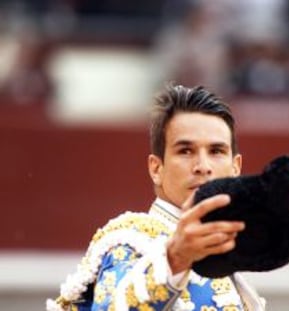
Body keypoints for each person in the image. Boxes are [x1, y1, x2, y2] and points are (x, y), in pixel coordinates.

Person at [46, 84, 266, 311]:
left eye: (216, 151)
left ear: (235, 168)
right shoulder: (129, 241)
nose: (203, 166)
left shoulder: (229, 265)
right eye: (185, 151)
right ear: (156, 168)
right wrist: (174, 259)